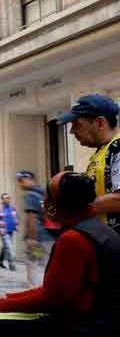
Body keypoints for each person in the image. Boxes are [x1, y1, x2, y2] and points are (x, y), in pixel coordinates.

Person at [0, 172, 120, 337]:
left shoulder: (74, 240)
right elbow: (59, 290)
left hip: (86, 336)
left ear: (57, 203)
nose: (44, 201)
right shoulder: (103, 233)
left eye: (49, 195)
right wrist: (10, 300)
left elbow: (53, 297)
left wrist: (3, 305)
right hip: (103, 331)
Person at [59, 94, 120, 233]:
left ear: (99, 123)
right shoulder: (103, 151)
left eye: (77, 124)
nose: (72, 131)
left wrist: (77, 210)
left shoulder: (118, 147)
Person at [16, 171, 55, 287]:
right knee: (46, 264)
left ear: (30, 180)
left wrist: (31, 238)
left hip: (38, 238)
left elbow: (31, 217)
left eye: (22, 180)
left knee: (33, 264)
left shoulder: (30, 195)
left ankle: (35, 291)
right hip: (50, 236)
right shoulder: (44, 193)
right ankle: (47, 289)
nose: (20, 184)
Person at [0, 193, 19, 270]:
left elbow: (15, 217)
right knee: (9, 246)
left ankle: (0, 261)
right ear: (2, 199)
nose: (7, 199)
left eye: (8, 198)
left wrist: (16, 225)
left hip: (11, 230)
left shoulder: (12, 208)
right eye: (5, 198)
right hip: (3, 231)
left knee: (5, 246)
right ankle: (11, 264)